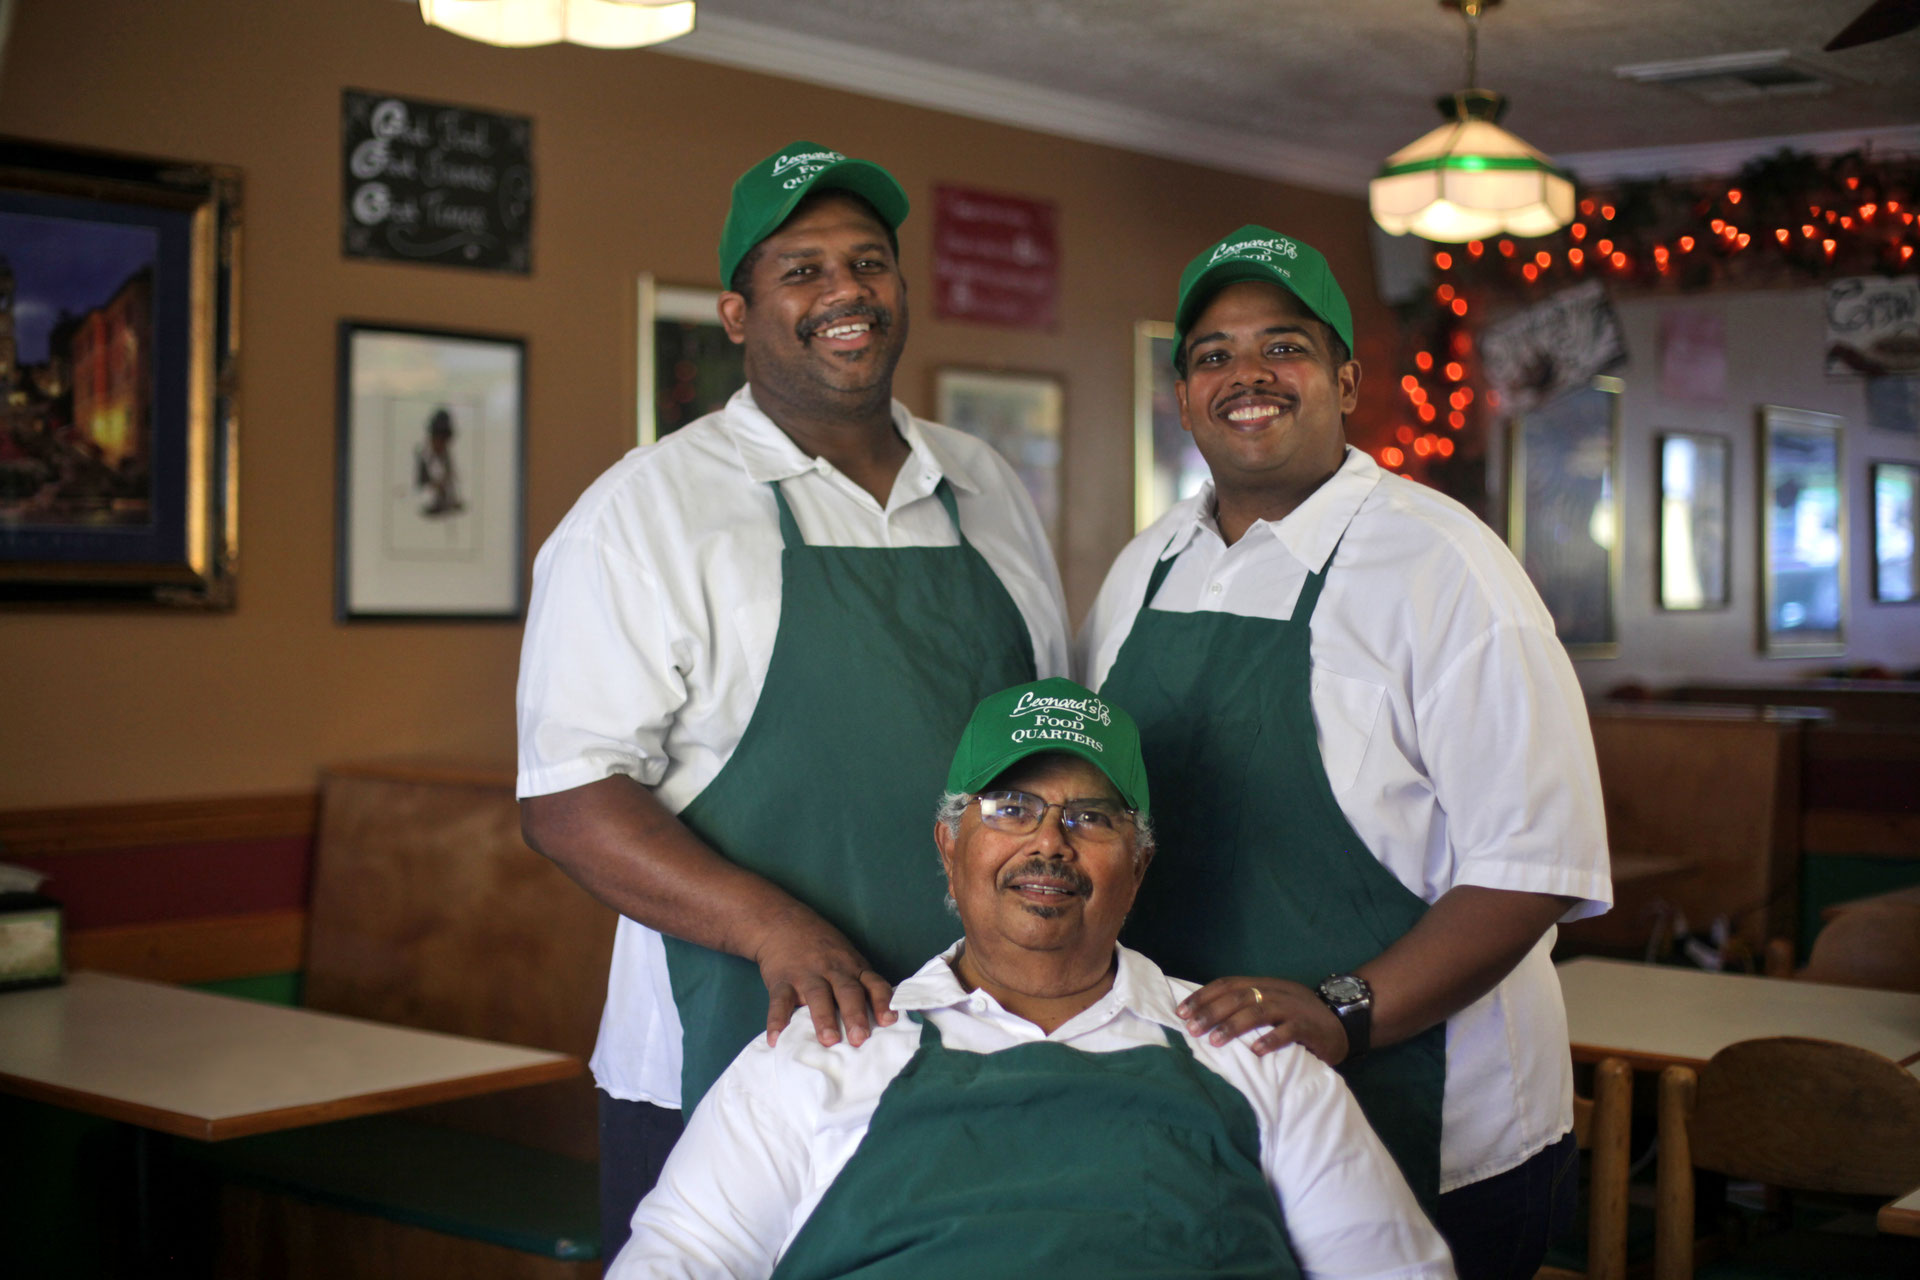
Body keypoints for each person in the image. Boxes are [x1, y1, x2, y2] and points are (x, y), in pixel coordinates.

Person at [516, 142, 1069, 1255]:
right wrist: (774, 927)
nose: (845, 291)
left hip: (984, 1046)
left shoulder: (985, 484)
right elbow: (568, 800)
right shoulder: (648, 510)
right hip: (732, 1060)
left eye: (868, 262)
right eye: (801, 271)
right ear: (736, 312)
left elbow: (1047, 743)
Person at [1078, 226, 1612, 1280]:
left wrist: (1344, 1009)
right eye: (1214, 355)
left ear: (1345, 378)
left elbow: (1534, 868)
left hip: (1426, 1116)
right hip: (1205, 1111)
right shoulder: (1145, 568)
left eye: (1284, 346)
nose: (1249, 376)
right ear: (1183, 396)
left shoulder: (1446, 565)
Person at [612, 678, 1455, 1279]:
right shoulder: (828, 1051)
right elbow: (679, 1259)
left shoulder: (1252, 1055)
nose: (1048, 843)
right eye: (1010, 809)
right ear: (949, 843)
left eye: (1090, 817)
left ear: (1140, 858)